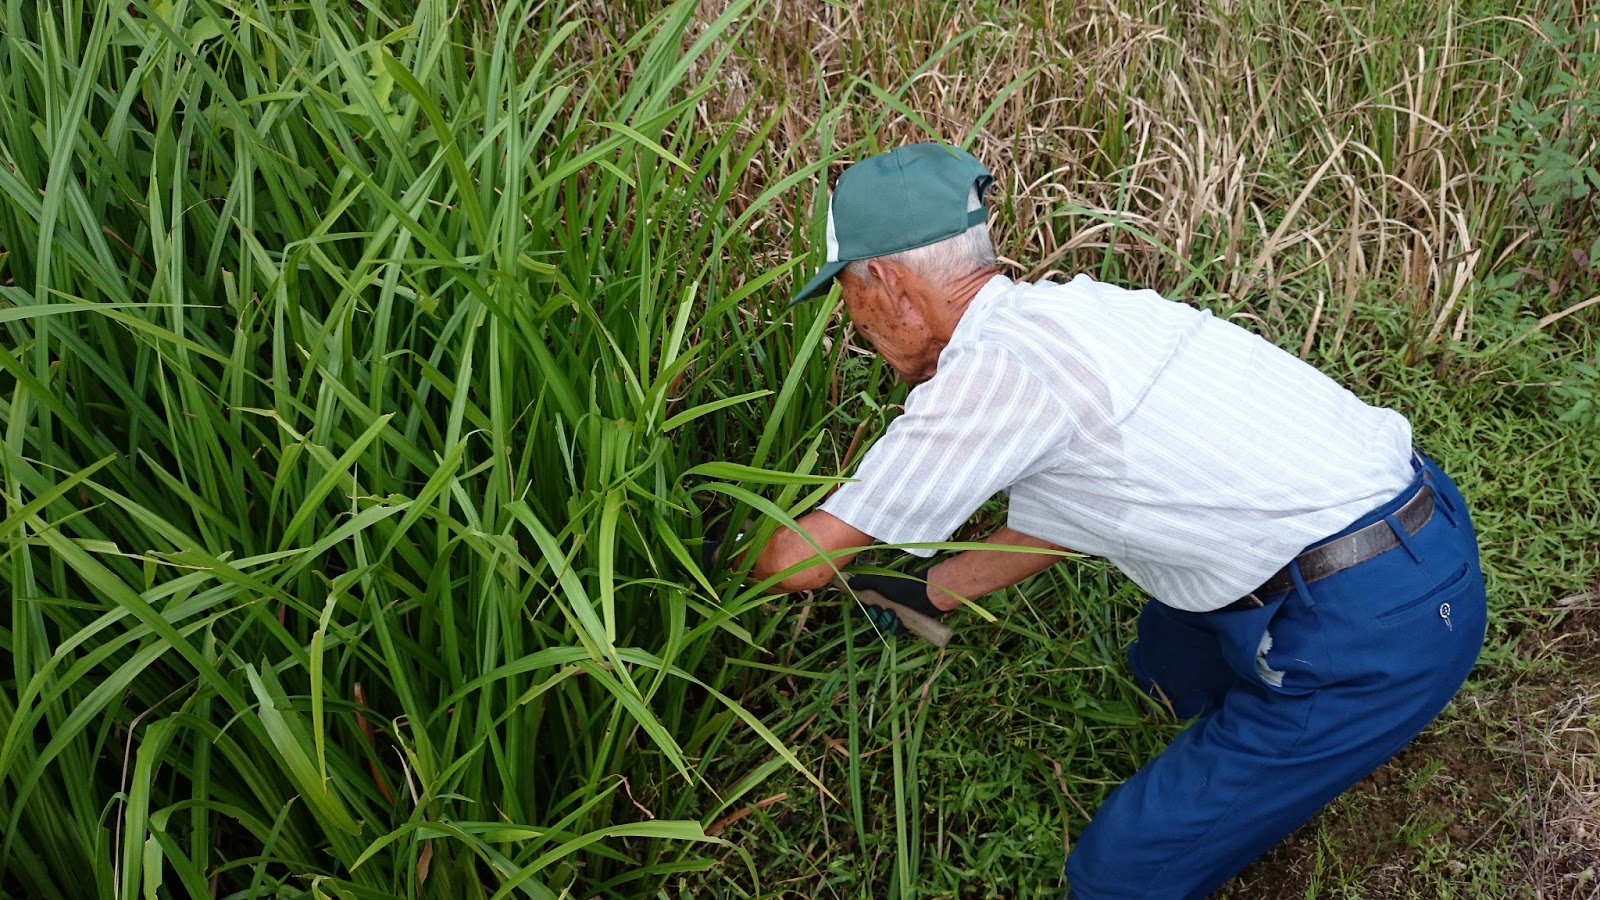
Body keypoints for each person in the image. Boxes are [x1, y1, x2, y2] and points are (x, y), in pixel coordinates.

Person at [746, 142, 1488, 898]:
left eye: (846, 292)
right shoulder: (1077, 310)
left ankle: (1302, 738)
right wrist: (918, 596)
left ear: (888, 281)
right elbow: (1071, 516)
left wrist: (723, 566)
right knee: (1164, 672)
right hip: (1413, 524)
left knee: (1120, 874)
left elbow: (797, 561)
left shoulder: (997, 376)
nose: (852, 319)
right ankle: (1232, 726)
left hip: (1373, 624)